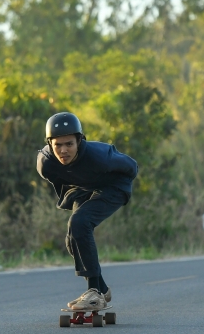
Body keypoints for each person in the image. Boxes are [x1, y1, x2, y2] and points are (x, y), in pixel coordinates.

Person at [36, 112, 138, 311]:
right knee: (73, 237)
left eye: (69, 144)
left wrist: (107, 184)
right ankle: (101, 289)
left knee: (80, 222)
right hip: (82, 188)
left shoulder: (100, 157)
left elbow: (132, 167)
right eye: (58, 145)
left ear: (80, 141)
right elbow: (63, 178)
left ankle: (93, 292)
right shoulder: (45, 163)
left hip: (114, 187)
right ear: (50, 144)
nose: (63, 151)